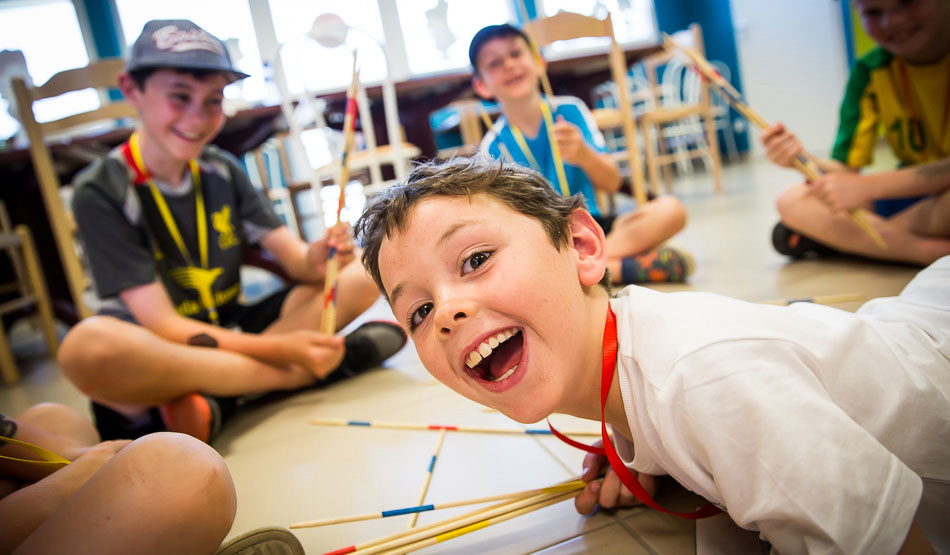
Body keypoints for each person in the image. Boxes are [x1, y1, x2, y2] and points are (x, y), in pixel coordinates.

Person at [354, 155, 949, 553]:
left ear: (583, 246)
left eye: (476, 260)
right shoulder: (644, 365)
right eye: (419, 312)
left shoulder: (705, 380)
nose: (448, 311)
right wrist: (647, 443)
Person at [58, 19, 406, 444]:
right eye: (179, 97)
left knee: (359, 275)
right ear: (132, 91)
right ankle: (305, 371)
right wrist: (284, 352)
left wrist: (317, 259)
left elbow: (297, 261)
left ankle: (222, 397)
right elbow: (165, 326)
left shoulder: (221, 168)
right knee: (87, 347)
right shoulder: (100, 189)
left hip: (229, 330)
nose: (198, 117)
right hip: (160, 348)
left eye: (213, 100)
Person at [468, 24, 691, 284]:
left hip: (592, 224)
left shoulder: (572, 111)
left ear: (539, 62)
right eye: (495, 63)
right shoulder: (492, 146)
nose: (509, 65)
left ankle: (583, 269)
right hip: (545, 239)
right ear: (481, 86)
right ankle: (612, 269)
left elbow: (611, 182)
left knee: (670, 210)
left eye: (516, 54)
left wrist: (584, 155)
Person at [765, 0, 950, 264]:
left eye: (908, 2)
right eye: (874, 12)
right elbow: (845, 173)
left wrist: (866, 188)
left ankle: (854, 243)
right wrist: (801, 158)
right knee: (791, 200)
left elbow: (858, 186)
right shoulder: (869, 71)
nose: (893, 22)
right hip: (909, 199)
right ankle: (928, 253)